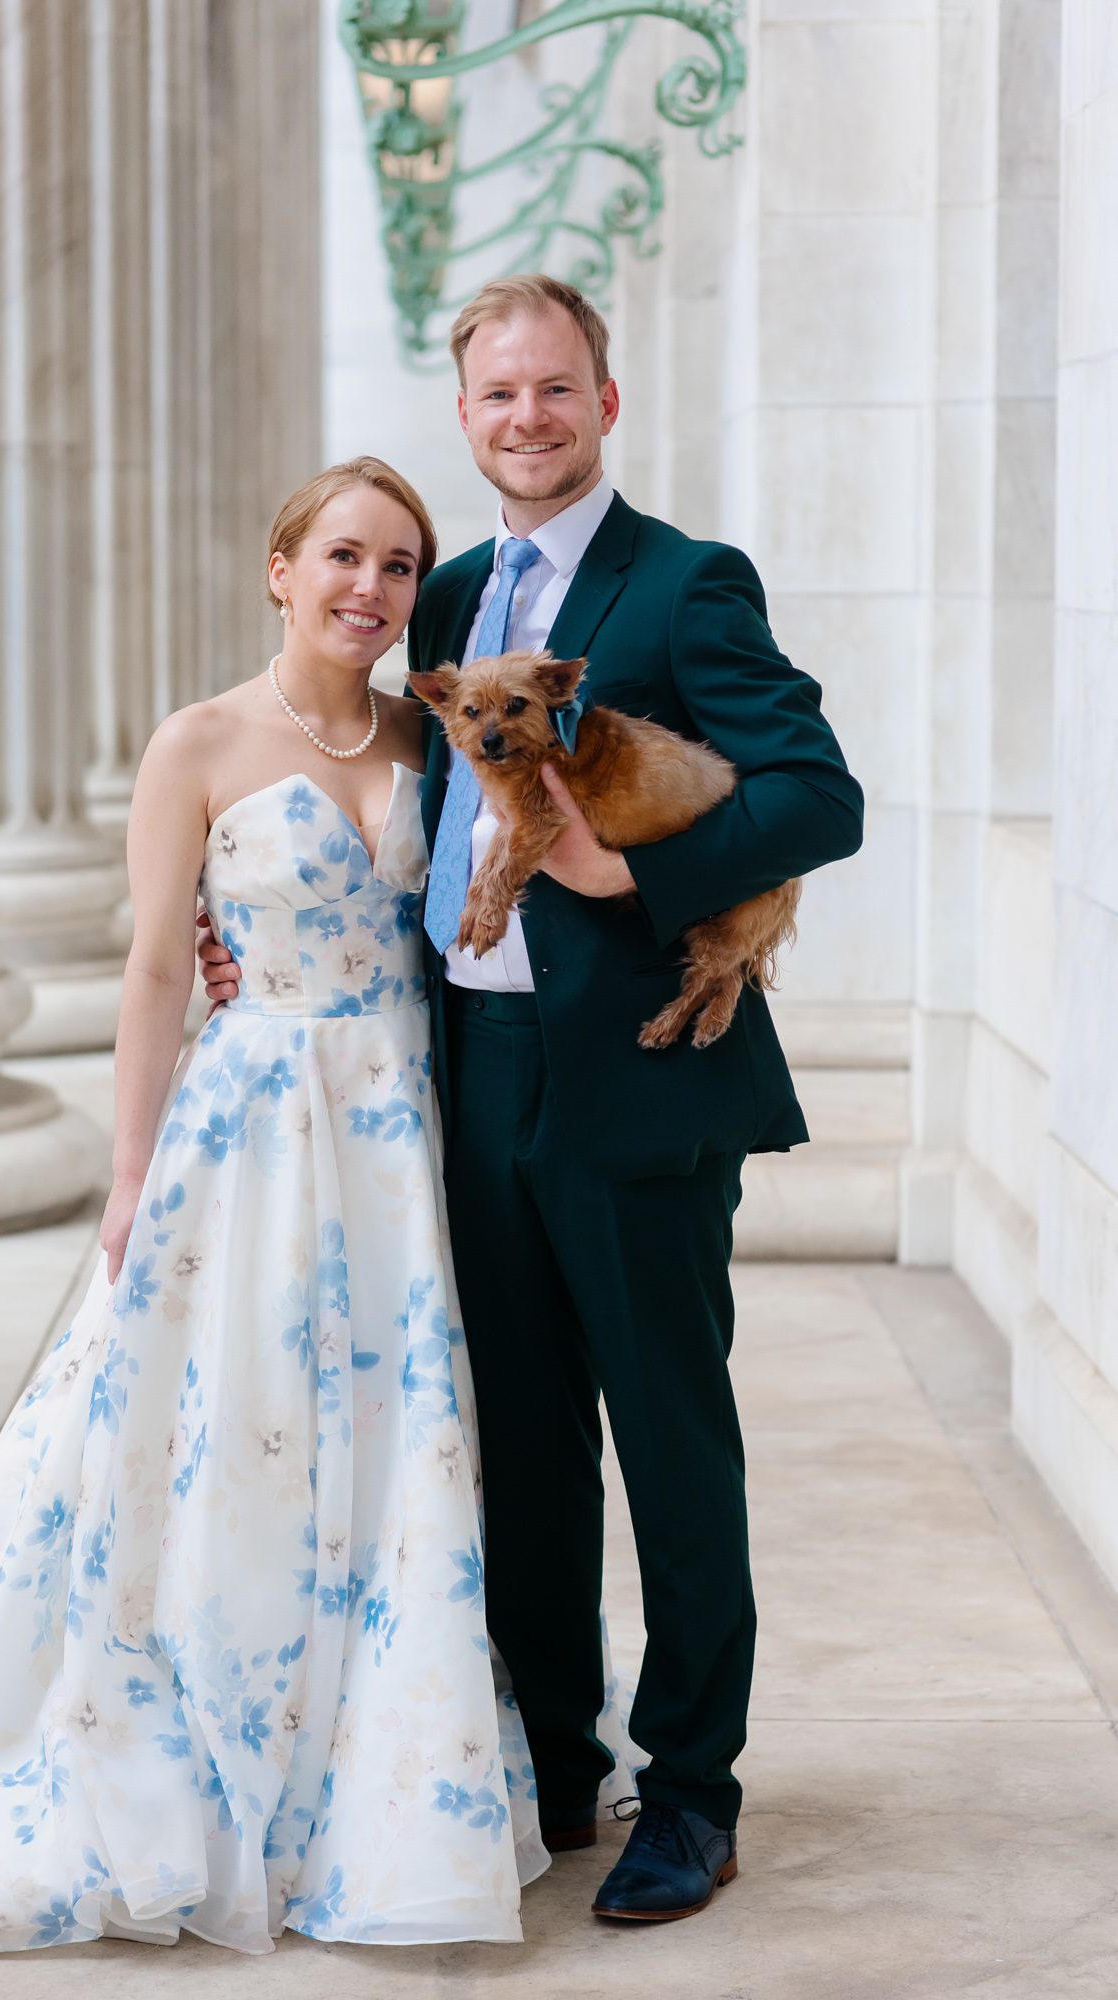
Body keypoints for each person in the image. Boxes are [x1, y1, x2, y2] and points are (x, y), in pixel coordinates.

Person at [0, 456, 636, 1959]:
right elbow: (158, 968)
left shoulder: (435, 740)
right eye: (341, 558)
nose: (367, 588)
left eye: (395, 564)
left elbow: (476, 913)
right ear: (280, 568)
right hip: (246, 1129)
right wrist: (126, 1174)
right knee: (224, 1419)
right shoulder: (199, 744)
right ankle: (195, 1741)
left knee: (391, 1437)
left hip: (398, 1128)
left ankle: (375, 1766)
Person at [200, 278, 865, 1924]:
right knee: (519, 1446)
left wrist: (618, 864)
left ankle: (689, 1794)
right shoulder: (450, 603)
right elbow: (364, 788)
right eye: (497, 395)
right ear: (468, 415)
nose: (527, 417)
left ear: (604, 402)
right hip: (463, 1074)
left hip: (639, 1090)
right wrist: (241, 926)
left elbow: (815, 796)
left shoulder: (687, 584)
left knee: (669, 1441)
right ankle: (549, 1768)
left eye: (554, 388)